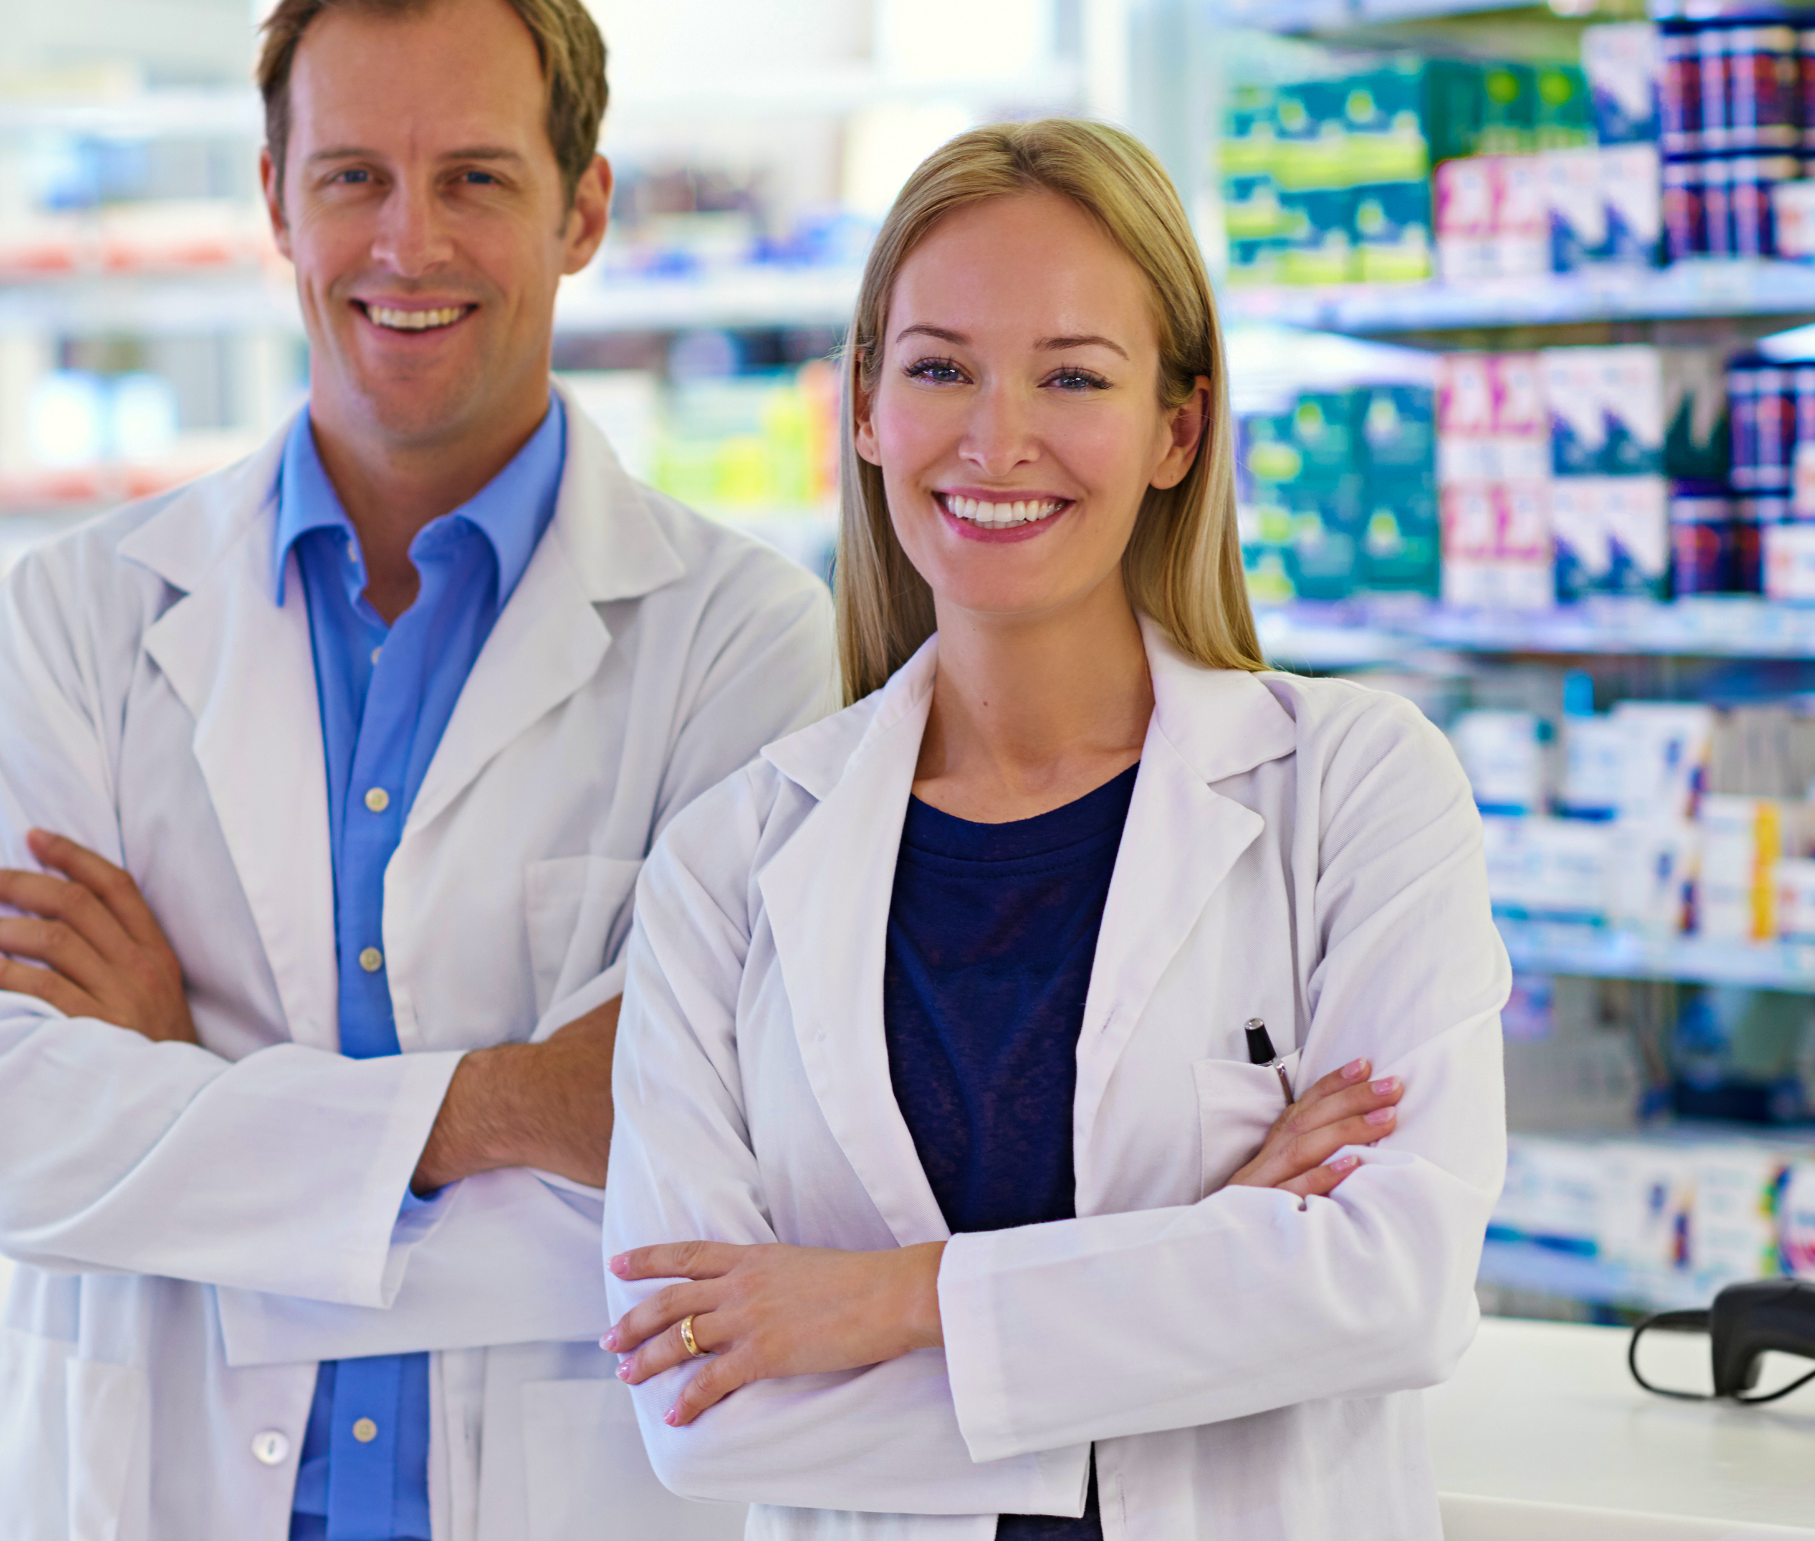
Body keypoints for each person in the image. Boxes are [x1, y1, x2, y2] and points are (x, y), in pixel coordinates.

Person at [0, 0, 832, 1541]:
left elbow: (700, 1199)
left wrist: (189, 1102)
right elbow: (36, 1153)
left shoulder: (743, 644)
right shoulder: (77, 622)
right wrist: (506, 1103)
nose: (408, 243)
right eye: (352, 176)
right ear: (276, 199)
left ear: (585, 210)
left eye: (476, 177)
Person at [597, 118, 1508, 1539]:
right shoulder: (732, 863)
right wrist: (1212, 1269)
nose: (994, 436)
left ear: (1176, 428)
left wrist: (876, 1301)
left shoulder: (1353, 788)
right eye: (939, 366)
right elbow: (696, 1404)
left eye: (1073, 375)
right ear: (864, 406)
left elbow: (1391, 1288)